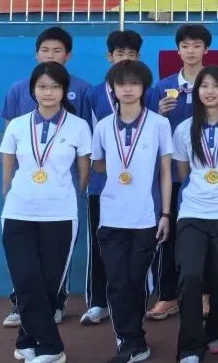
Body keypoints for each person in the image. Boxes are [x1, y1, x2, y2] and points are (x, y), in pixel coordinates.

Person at [0, 26, 93, 328]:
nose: (50, 55)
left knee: (55, 256)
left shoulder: (84, 90)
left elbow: (85, 150)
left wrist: (78, 188)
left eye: (57, 50)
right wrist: (9, 184)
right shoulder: (18, 89)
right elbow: (10, 142)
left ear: (69, 55)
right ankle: (21, 305)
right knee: (23, 257)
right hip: (25, 192)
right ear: (36, 53)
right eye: (45, 50)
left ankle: (56, 301)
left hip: (61, 192)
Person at [91, 60, 173, 363]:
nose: (127, 89)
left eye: (134, 83)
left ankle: (134, 337)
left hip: (146, 216)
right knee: (116, 281)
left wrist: (166, 214)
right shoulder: (103, 126)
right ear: (112, 88)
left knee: (136, 279)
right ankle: (130, 340)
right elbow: (99, 164)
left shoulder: (159, 124)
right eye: (121, 83)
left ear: (144, 88)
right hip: (111, 215)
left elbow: (165, 172)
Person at [173, 66, 218, 363]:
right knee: (190, 275)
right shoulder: (184, 128)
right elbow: (183, 172)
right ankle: (191, 346)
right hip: (193, 212)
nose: (209, 91)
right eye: (204, 86)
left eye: (216, 86)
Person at [145, 23, 212, 322]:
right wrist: (160, 114)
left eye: (197, 45)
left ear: (206, 49)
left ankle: (206, 293)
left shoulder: (214, 82)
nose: (191, 51)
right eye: (185, 46)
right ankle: (167, 296)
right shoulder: (163, 86)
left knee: (206, 236)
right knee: (167, 235)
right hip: (170, 175)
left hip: (206, 175)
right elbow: (148, 129)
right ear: (178, 50)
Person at [80, 29, 143, 326]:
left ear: (138, 57)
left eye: (131, 54)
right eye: (120, 54)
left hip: (139, 184)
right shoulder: (93, 94)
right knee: (99, 243)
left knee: (138, 246)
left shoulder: (147, 92)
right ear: (109, 57)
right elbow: (85, 137)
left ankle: (137, 299)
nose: (125, 59)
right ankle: (97, 302)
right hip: (102, 183)